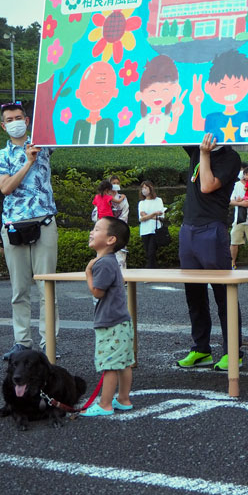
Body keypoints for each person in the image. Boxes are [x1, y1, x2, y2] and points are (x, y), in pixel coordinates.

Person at [0, 102, 59, 360]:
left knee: (47, 287)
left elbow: (59, 125)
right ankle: (22, 343)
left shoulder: (43, 144)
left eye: (19, 117)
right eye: (9, 119)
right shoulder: (1, 155)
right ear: (3, 125)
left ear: (28, 119)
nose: (15, 122)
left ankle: (48, 345)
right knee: (19, 289)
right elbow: (5, 187)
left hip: (43, 221)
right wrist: (27, 162)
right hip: (13, 225)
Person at [176, 134, 242, 371]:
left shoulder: (230, 157)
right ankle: (200, 349)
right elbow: (177, 121)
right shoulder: (195, 146)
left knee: (223, 292)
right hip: (188, 228)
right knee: (193, 293)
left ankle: (233, 351)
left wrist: (204, 153)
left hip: (212, 228)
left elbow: (206, 185)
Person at [81, 216, 134, 416]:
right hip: (122, 321)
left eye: (96, 229)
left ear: (111, 239)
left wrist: (88, 273)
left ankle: (105, 404)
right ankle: (124, 399)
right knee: (124, 362)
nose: (91, 232)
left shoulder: (102, 263)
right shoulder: (111, 261)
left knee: (110, 364)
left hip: (110, 323)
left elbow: (97, 292)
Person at [189, 50, 248, 143]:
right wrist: (196, 105)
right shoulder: (213, 117)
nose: (230, 91)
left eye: (236, 86)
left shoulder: (247, 115)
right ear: (208, 87)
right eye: (223, 86)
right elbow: (197, 126)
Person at [123, 55, 186, 145]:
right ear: (140, 95)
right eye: (152, 91)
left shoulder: (165, 118)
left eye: (165, 90)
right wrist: (124, 143)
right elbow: (133, 135)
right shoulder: (145, 120)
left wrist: (176, 116)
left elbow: (171, 131)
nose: (158, 96)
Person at [72, 62, 117, 145]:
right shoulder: (80, 125)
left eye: (105, 92)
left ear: (114, 93)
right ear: (79, 93)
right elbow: (74, 144)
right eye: (90, 93)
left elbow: (109, 143)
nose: (97, 97)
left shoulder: (108, 124)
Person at [138, 180, 164, 269]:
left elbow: (161, 216)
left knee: (151, 252)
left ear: (150, 188)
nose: (144, 190)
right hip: (145, 230)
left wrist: (147, 216)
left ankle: (149, 271)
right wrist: (154, 214)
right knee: (148, 253)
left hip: (155, 230)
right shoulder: (141, 203)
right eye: (142, 188)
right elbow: (141, 218)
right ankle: (154, 270)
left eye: (145, 187)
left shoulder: (158, 200)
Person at [109, 175, 129, 270]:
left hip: (119, 230)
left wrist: (118, 226)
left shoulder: (122, 198)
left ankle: (122, 280)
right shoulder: (104, 198)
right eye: (113, 183)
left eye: (117, 183)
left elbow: (125, 213)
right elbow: (97, 214)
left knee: (120, 256)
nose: (116, 185)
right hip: (106, 230)